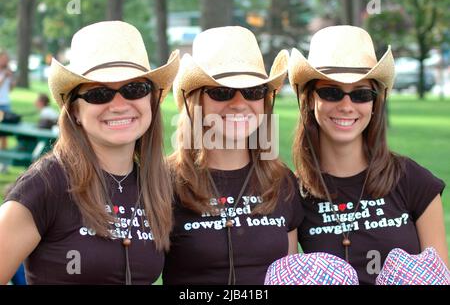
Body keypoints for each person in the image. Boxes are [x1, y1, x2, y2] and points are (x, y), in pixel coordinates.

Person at [0, 21, 180, 284]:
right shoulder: (46, 185)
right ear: (75, 111)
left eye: (135, 89)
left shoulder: (157, 186)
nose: (119, 105)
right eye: (99, 94)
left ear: (150, 100)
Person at [289, 25, 447, 285]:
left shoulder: (414, 181)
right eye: (331, 92)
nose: (346, 106)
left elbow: (439, 276)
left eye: (361, 94)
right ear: (308, 99)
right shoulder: (293, 193)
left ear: (375, 103)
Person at [163, 26, 304, 285]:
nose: (239, 103)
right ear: (196, 101)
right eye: (221, 91)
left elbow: (286, 274)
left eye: (253, 91)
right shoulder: (163, 182)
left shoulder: (281, 180)